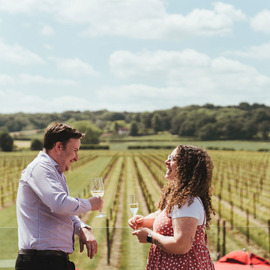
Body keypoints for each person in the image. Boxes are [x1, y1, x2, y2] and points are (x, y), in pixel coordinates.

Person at [15, 122, 103, 270]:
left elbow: (65, 210)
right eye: (75, 150)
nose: (77, 157)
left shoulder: (55, 172)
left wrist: (82, 228)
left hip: (51, 261)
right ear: (59, 147)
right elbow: (60, 204)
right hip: (40, 262)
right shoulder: (40, 169)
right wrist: (90, 204)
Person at [128, 145, 215, 270]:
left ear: (186, 166)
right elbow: (164, 216)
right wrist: (142, 221)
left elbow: (181, 245)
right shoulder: (179, 198)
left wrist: (149, 237)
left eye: (173, 159)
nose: (166, 161)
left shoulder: (187, 202)